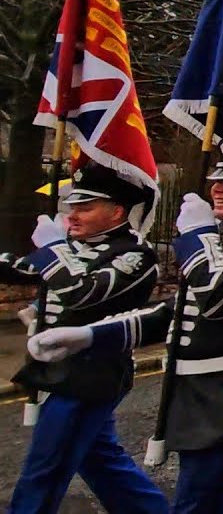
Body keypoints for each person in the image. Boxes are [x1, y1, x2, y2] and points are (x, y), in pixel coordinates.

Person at [28, 139, 223, 513]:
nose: (217, 188)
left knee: (197, 502)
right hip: (201, 394)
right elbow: (173, 315)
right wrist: (89, 336)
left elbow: (219, 297)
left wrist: (198, 238)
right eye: (216, 180)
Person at [2, 165, 167, 514]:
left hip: (90, 374)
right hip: (58, 372)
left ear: (117, 211)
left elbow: (82, 293)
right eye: (71, 207)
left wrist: (53, 251)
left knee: (44, 471)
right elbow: (21, 268)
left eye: (85, 208)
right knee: (101, 463)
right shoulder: (73, 247)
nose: (73, 216)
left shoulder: (135, 254)